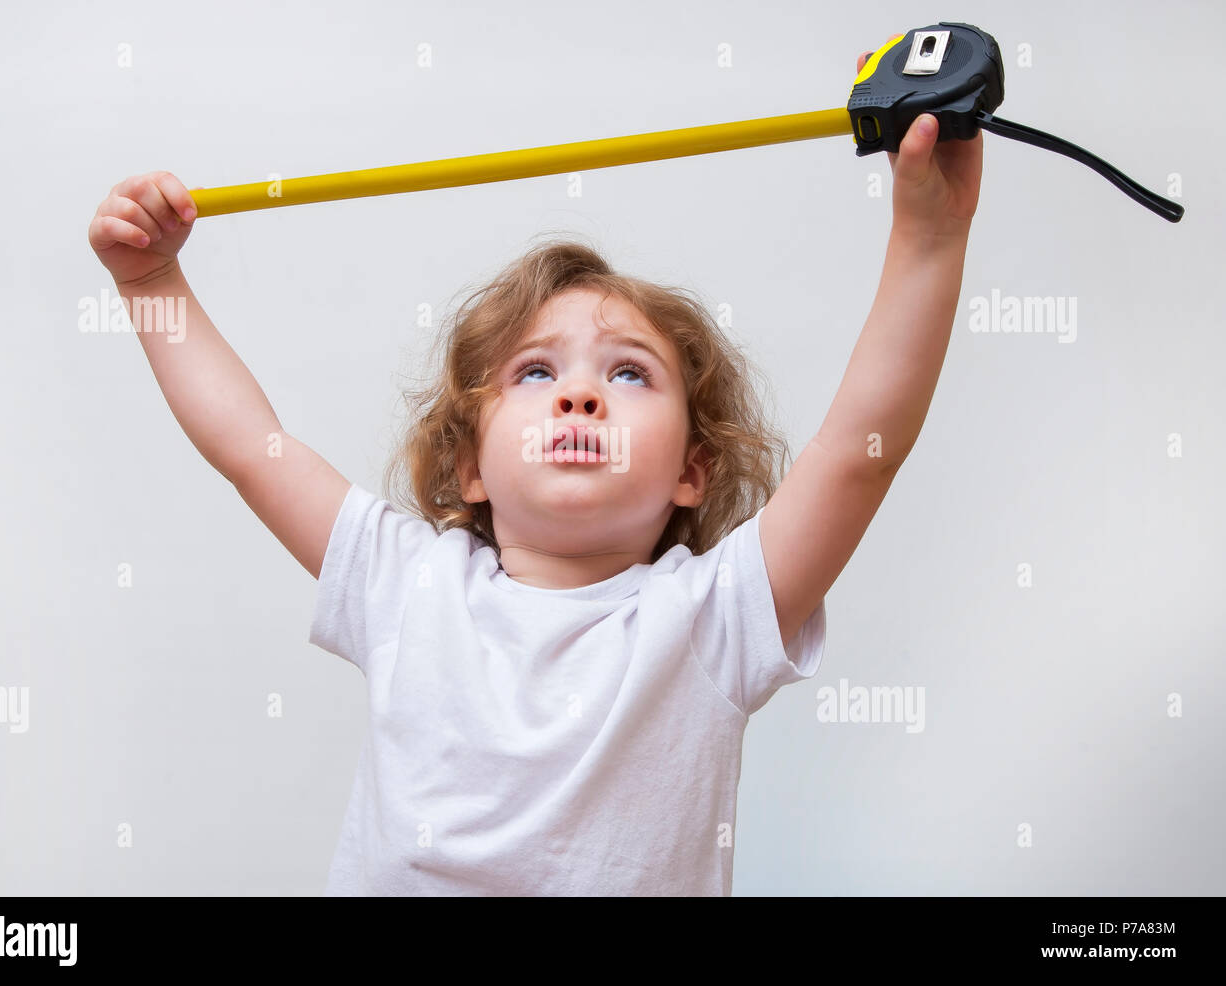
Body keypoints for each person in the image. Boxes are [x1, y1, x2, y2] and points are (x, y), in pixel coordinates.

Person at [87, 42, 982, 895]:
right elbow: (251, 445)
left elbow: (861, 452)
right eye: (535, 372)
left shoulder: (715, 617)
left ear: (692, 472)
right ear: (470, 465)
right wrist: (152, 285)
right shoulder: (406, 583)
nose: (579, 397)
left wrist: (929, 242)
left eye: (628, 373)